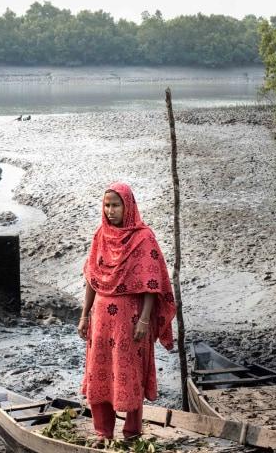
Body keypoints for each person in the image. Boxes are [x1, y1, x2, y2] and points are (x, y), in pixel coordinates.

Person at [79, 182, 176, 443]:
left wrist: (145, 319)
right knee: (99, 370)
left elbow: (152, 283)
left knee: (129, 371)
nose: (110, 211)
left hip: (132, 320)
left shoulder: (143, 238)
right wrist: (84, 315)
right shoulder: (100, 235)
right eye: (107, 205)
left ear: (128, 206)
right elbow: (92, 279)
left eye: (116, 205)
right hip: (101, 319)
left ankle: (132, 432)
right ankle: (103, 432)